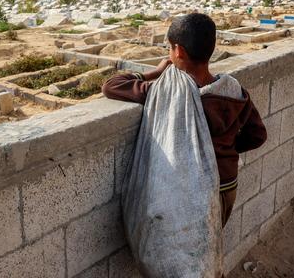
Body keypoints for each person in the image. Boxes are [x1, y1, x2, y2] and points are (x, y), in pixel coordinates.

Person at [102, 13, 267, 227]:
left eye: (170, 49)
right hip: (226, 185)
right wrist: (226, 150)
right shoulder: (234, 91)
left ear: (178, 51)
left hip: (190, 193)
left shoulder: (170, 94)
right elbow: (257, 135)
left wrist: (155, 72)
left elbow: (111, 85)